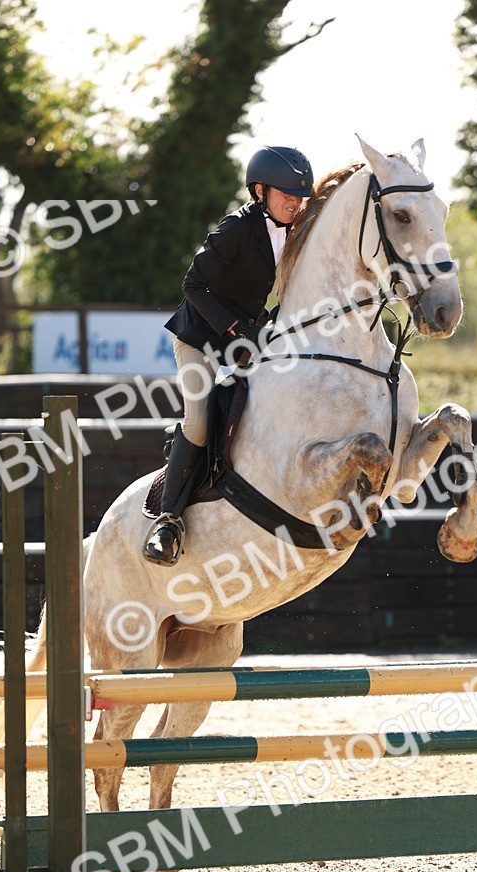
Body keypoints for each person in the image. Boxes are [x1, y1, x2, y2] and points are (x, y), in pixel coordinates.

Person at [143, 145, 314, 565]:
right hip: (201, 337)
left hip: (247, 340)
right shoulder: (236, 228)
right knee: (199, 422)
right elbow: (192, 285)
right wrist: (236, 328)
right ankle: (167, 521)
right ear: (260, 191)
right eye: (285, 195)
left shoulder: (293, 232)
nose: (294, 203)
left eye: (298, 197)